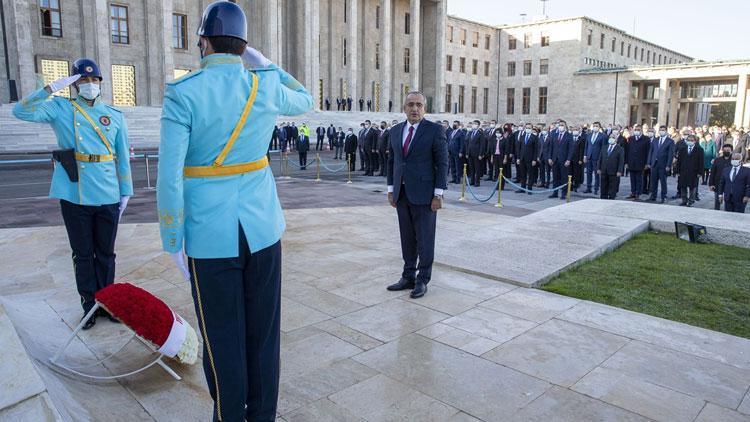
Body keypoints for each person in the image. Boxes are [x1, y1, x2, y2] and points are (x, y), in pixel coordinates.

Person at [156, 2, 313, 419]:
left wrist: (173, 238)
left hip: (210, 236)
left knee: (223, 337)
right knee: (263, 336)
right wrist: (268, 63)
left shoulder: (183, 93)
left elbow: (169, 177)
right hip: (262, 229)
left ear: (204, 43)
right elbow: (305, 98)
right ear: (243, 47)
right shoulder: (263, 85)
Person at [13, 58, 133, 330]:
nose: (90, 85)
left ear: (100, 82)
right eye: (83, 80)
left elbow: (123, 157)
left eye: (94, 80)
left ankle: (108, 302)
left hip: (107, 193)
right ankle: (89, 305)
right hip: (75, 193)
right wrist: (48, 89)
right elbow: (20, 112)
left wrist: (126, 191)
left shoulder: (114, 115)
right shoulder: (60, 109)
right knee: (82, 254)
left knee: (106, 253)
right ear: (74, 84)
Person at [386, 91, 448, 299]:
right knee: (407, 238)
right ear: (404, 108)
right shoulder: (395, 131)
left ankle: (422, 280)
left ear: (425, 109)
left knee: (425, 239)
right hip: (402, 193)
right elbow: (392, 162)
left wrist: (438, 193)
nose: (414, 109)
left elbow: (442, 163)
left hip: (425, 195)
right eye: (410, 104)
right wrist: (390, 189)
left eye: (419, 105)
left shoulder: (434, 130)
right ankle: (408, 276)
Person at [646, 125, 675, 203]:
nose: (661, 131)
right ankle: (653, 196)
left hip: (663, 164)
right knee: (653, 181)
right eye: (660, 130)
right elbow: (651, 152)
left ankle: (663, 196)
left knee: (663, 182)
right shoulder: (655, 140)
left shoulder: (670, 141)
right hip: (654, 164)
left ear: (666, 131)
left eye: (663, 130)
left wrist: (668, 165)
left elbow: (670, 155)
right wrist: (649, 162)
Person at [675, 134, 704, 207]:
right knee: (683, 186)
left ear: (695, 141)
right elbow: (679, 161)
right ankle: (684, 200)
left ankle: (691, 201)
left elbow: (701, 162)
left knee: (693, 187)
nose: (690, 142)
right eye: (688, 140)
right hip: (683, 171)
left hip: (694, 172)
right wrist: (677, 171)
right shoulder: (682, 149)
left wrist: (700, 172)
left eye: (691, 140)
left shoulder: (699, 150)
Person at [548, 120, 574, 199]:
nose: (560, 126)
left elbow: (571, 149)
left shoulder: (569, 135)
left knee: (564, 177)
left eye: (562, 125)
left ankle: (564, 193)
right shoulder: (554, 134)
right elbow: (551, 147)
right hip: (554, 159)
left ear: (565, 126)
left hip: (564, 160)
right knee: (555, 177)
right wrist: (549, 157)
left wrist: (568, 159)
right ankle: (555, 192)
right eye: (559, 125)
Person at [598, 131, 625, 199]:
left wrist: (619, 171)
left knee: (612, 187)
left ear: (616, 139)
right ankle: (603, 198)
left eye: (613, 137)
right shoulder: (604, 147)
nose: (611, 138)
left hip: (614, 171)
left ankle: (611, 198)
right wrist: (598, 168)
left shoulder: (620, 149)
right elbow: (600, 158)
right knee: (603, 186)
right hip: (604, 170)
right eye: (610, 137)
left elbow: (621, 161)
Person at [625, 125, 650, 200]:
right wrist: (626, 162)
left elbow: (648, 152)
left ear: (641, 130)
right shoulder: (631, 139)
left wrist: (647, 163)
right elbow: (627, 151)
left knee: (639, 179)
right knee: (632, 179)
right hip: (631, 162)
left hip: (641, 162)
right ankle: (633, 192)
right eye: (635, 129)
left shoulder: (646, 139)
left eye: (638, 129)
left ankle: (638, 193)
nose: (637, 131)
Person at [515, 123, 539, 194]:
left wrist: (534, 159)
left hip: (530, 159)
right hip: (522, 158)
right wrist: (518, 158)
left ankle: (529, 188)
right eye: (527, 128)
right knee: (523, 174)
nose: (528, 129)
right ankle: (522, 188)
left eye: (529, 128)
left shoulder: (534, 137)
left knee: (530, 174)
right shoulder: (522, 136)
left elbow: (536, 149)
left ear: (531, 129)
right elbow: (519, 148)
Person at [709, 144, 734, 210]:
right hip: (717, 183)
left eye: (728, 150)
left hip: (729, 184)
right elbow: (712, 172)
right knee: (717, 201)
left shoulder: (734, 161)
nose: (726, 151)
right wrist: (711, 184)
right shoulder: (717, 160)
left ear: (732, 151)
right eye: (724, 150)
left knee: (728, 201)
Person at [463, 120, 486, 187]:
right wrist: (467, 153)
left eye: (475, 124)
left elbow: (482, 145)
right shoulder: (470, 133)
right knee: (471, 168)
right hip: (470, 153)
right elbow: (468, 144)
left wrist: (480, 154)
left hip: (477, 154)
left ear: (478, 125)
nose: (473, 125)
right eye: (473, 124)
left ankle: (477, 182)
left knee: (477, 168)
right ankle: (472, 181)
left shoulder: (480, 133)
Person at [584, 122, 606, 194]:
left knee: (597, 174)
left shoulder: (602, 136)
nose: (595, 127)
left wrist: (601, 159)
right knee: (588, 173)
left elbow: (603, 148)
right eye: (594, 126)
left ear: (599, 127)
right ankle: (588, 187)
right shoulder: (589, 135)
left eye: (597, 126)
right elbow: (586, 146)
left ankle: (596, 188)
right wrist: (585, 156)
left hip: (597, 158)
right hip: (589, 157)